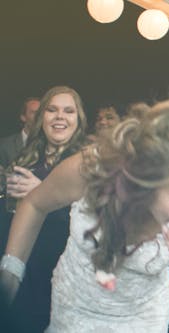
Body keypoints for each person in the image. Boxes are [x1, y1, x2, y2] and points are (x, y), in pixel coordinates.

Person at [0, 98, 169, 332]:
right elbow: (34, 204)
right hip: (75, 309)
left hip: (145, 316)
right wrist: (10, 273)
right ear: (144, 180)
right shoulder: (91, 169)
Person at [1, 85, 88, 332]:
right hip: (21, 258)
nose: (60, 116)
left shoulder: (85, 161)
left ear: (78, 120)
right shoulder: (27, 155)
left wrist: (41, 193)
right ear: (42, 118)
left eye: (69, 111)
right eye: (52, 110)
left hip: (59, 267)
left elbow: (91, 219)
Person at [0, 97, 40, 168]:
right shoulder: (4, 145)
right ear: (23, 117)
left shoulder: (51, 144)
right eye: (34, 112)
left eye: (41, 113)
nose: (39, 116)